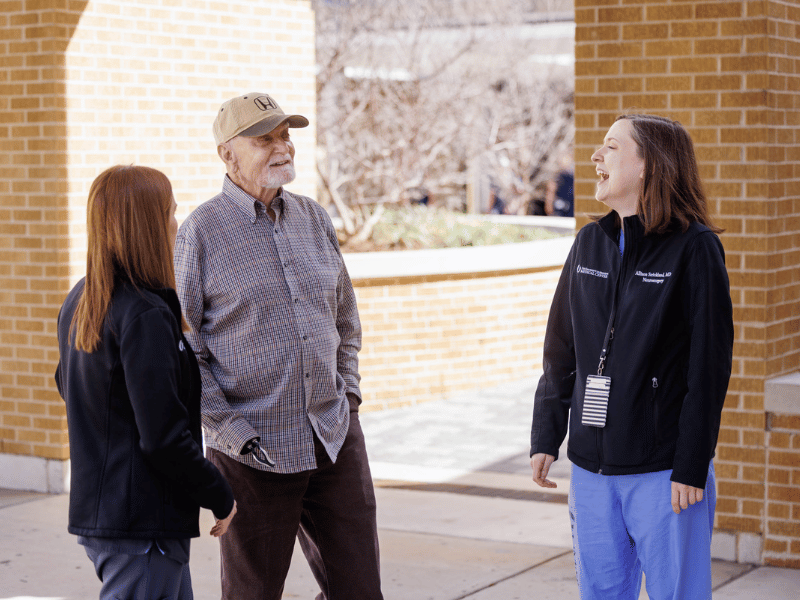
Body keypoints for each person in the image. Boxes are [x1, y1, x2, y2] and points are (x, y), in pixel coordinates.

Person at [173, 93, 383, 600]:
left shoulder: (313, 218)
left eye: (285, 135)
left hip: (334, 435)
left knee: (360, 591)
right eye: (264, 138)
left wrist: (348, 396)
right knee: (253, 594)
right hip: (254, 452)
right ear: (228, 154)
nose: (282, 147)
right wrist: (231, 431)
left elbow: (345, 319)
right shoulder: (199, 234)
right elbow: (185, 353)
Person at [530, 114, 734, 600]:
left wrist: (691, 462)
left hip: (664, 473)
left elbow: (708, 367)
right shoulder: (589, 243)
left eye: (612, 148)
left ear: (649, 166)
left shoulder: (695, 248)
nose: (596, 157)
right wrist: (547, 433)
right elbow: (561, 350)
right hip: (591, 469)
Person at [55, 165, 237, 600]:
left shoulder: (81, 298)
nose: (177, 224)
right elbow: (163, 437)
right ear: (150, 225)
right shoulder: (145, 314)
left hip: (113, 519)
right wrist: (220, 494)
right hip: (142, 528)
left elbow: (69, 386)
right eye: (171, 214)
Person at [545, 152, 574, 217]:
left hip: (570, 206)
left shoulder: (572, 176)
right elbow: (551, 191)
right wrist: (549, 206)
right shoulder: (557, 176)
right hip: (559, 207)